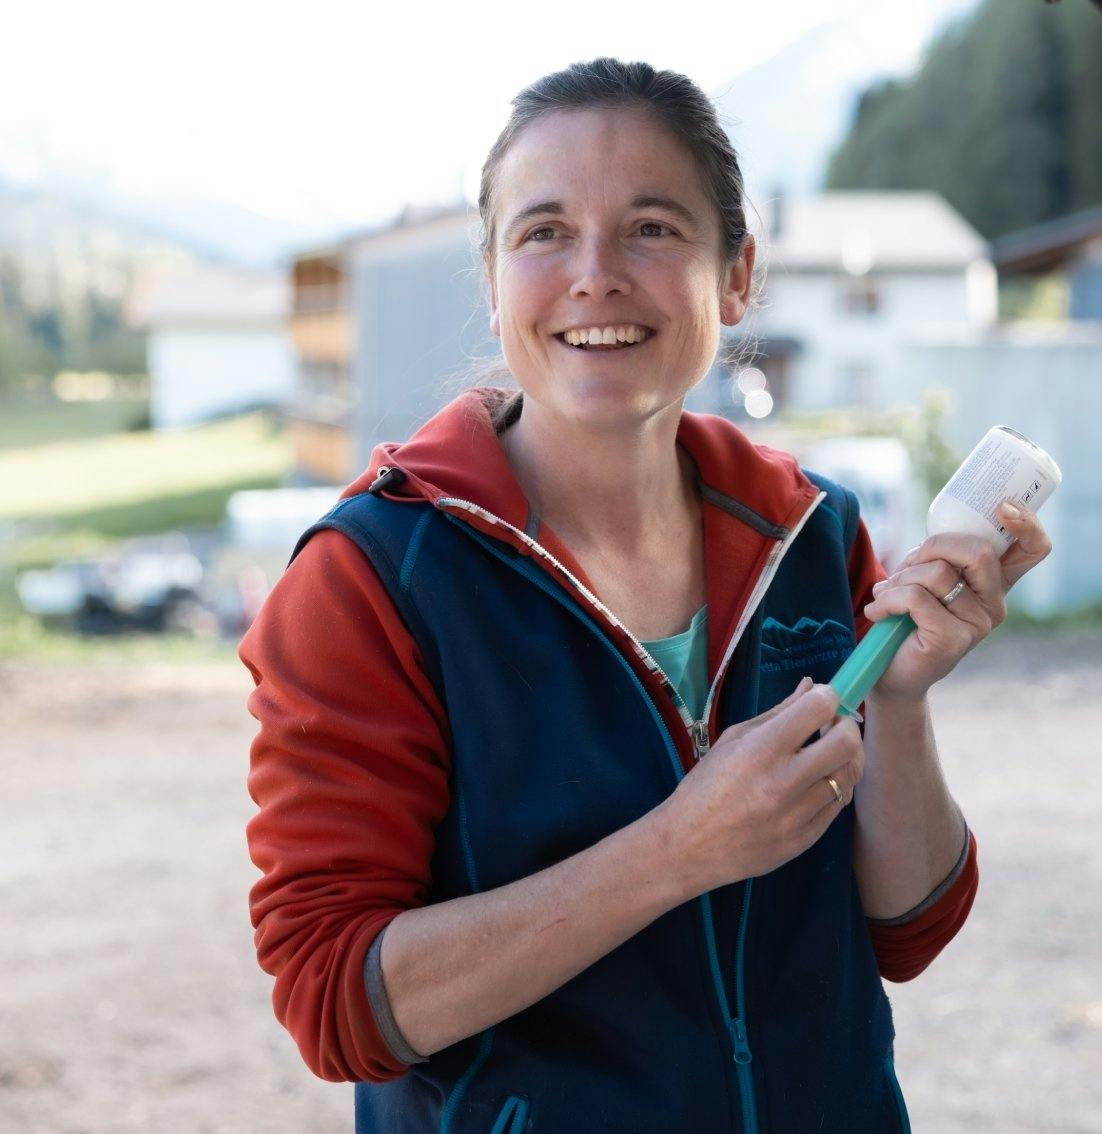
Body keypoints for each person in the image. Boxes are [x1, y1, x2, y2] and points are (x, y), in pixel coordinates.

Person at [241, 58, 1052, 1133]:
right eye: (543, 233)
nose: (595, 275)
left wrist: (897, 703)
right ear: (491, 279)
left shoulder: (812, 531)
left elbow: (905, 927)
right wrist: (677, 851)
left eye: (652, 228)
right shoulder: (372, 578)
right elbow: (337, 1001)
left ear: (735, 275)